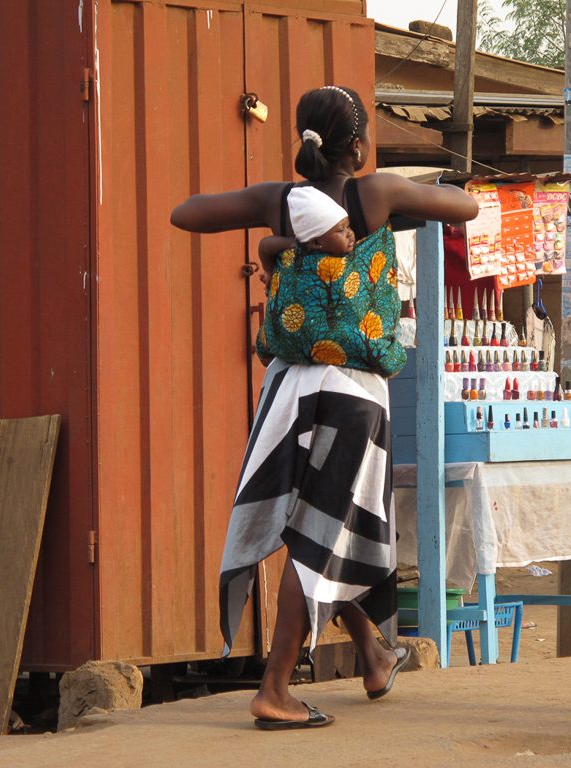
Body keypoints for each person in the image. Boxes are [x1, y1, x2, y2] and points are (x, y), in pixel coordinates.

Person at [171, 85, 477, 730]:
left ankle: (371, 652)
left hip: (286, 392)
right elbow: (466, 206)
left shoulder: (277, 201)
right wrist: (416, 187)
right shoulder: (379, 194)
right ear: (358, 146)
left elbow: (186, 213)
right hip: (351, 397)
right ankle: (275, 689)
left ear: (301, 139)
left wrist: (282, 239)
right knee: (318, 535)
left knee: (325, 526)